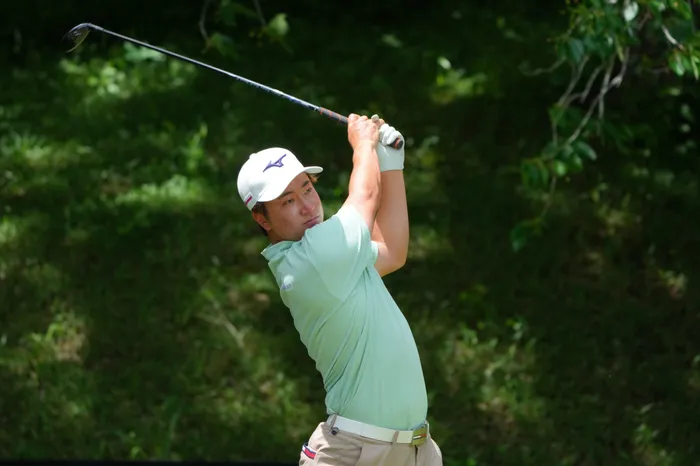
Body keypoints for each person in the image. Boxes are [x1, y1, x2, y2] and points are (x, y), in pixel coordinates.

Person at [236, 114, 443, 466]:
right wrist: (364, 145)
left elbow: (392, 251)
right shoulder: (314, 258)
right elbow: (365, 195)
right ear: (261, 217)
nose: (307, 206)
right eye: (287, 201)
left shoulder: (335, 258)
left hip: (415, 451)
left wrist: (391, 163)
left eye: (307, 189)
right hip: (355, 453)